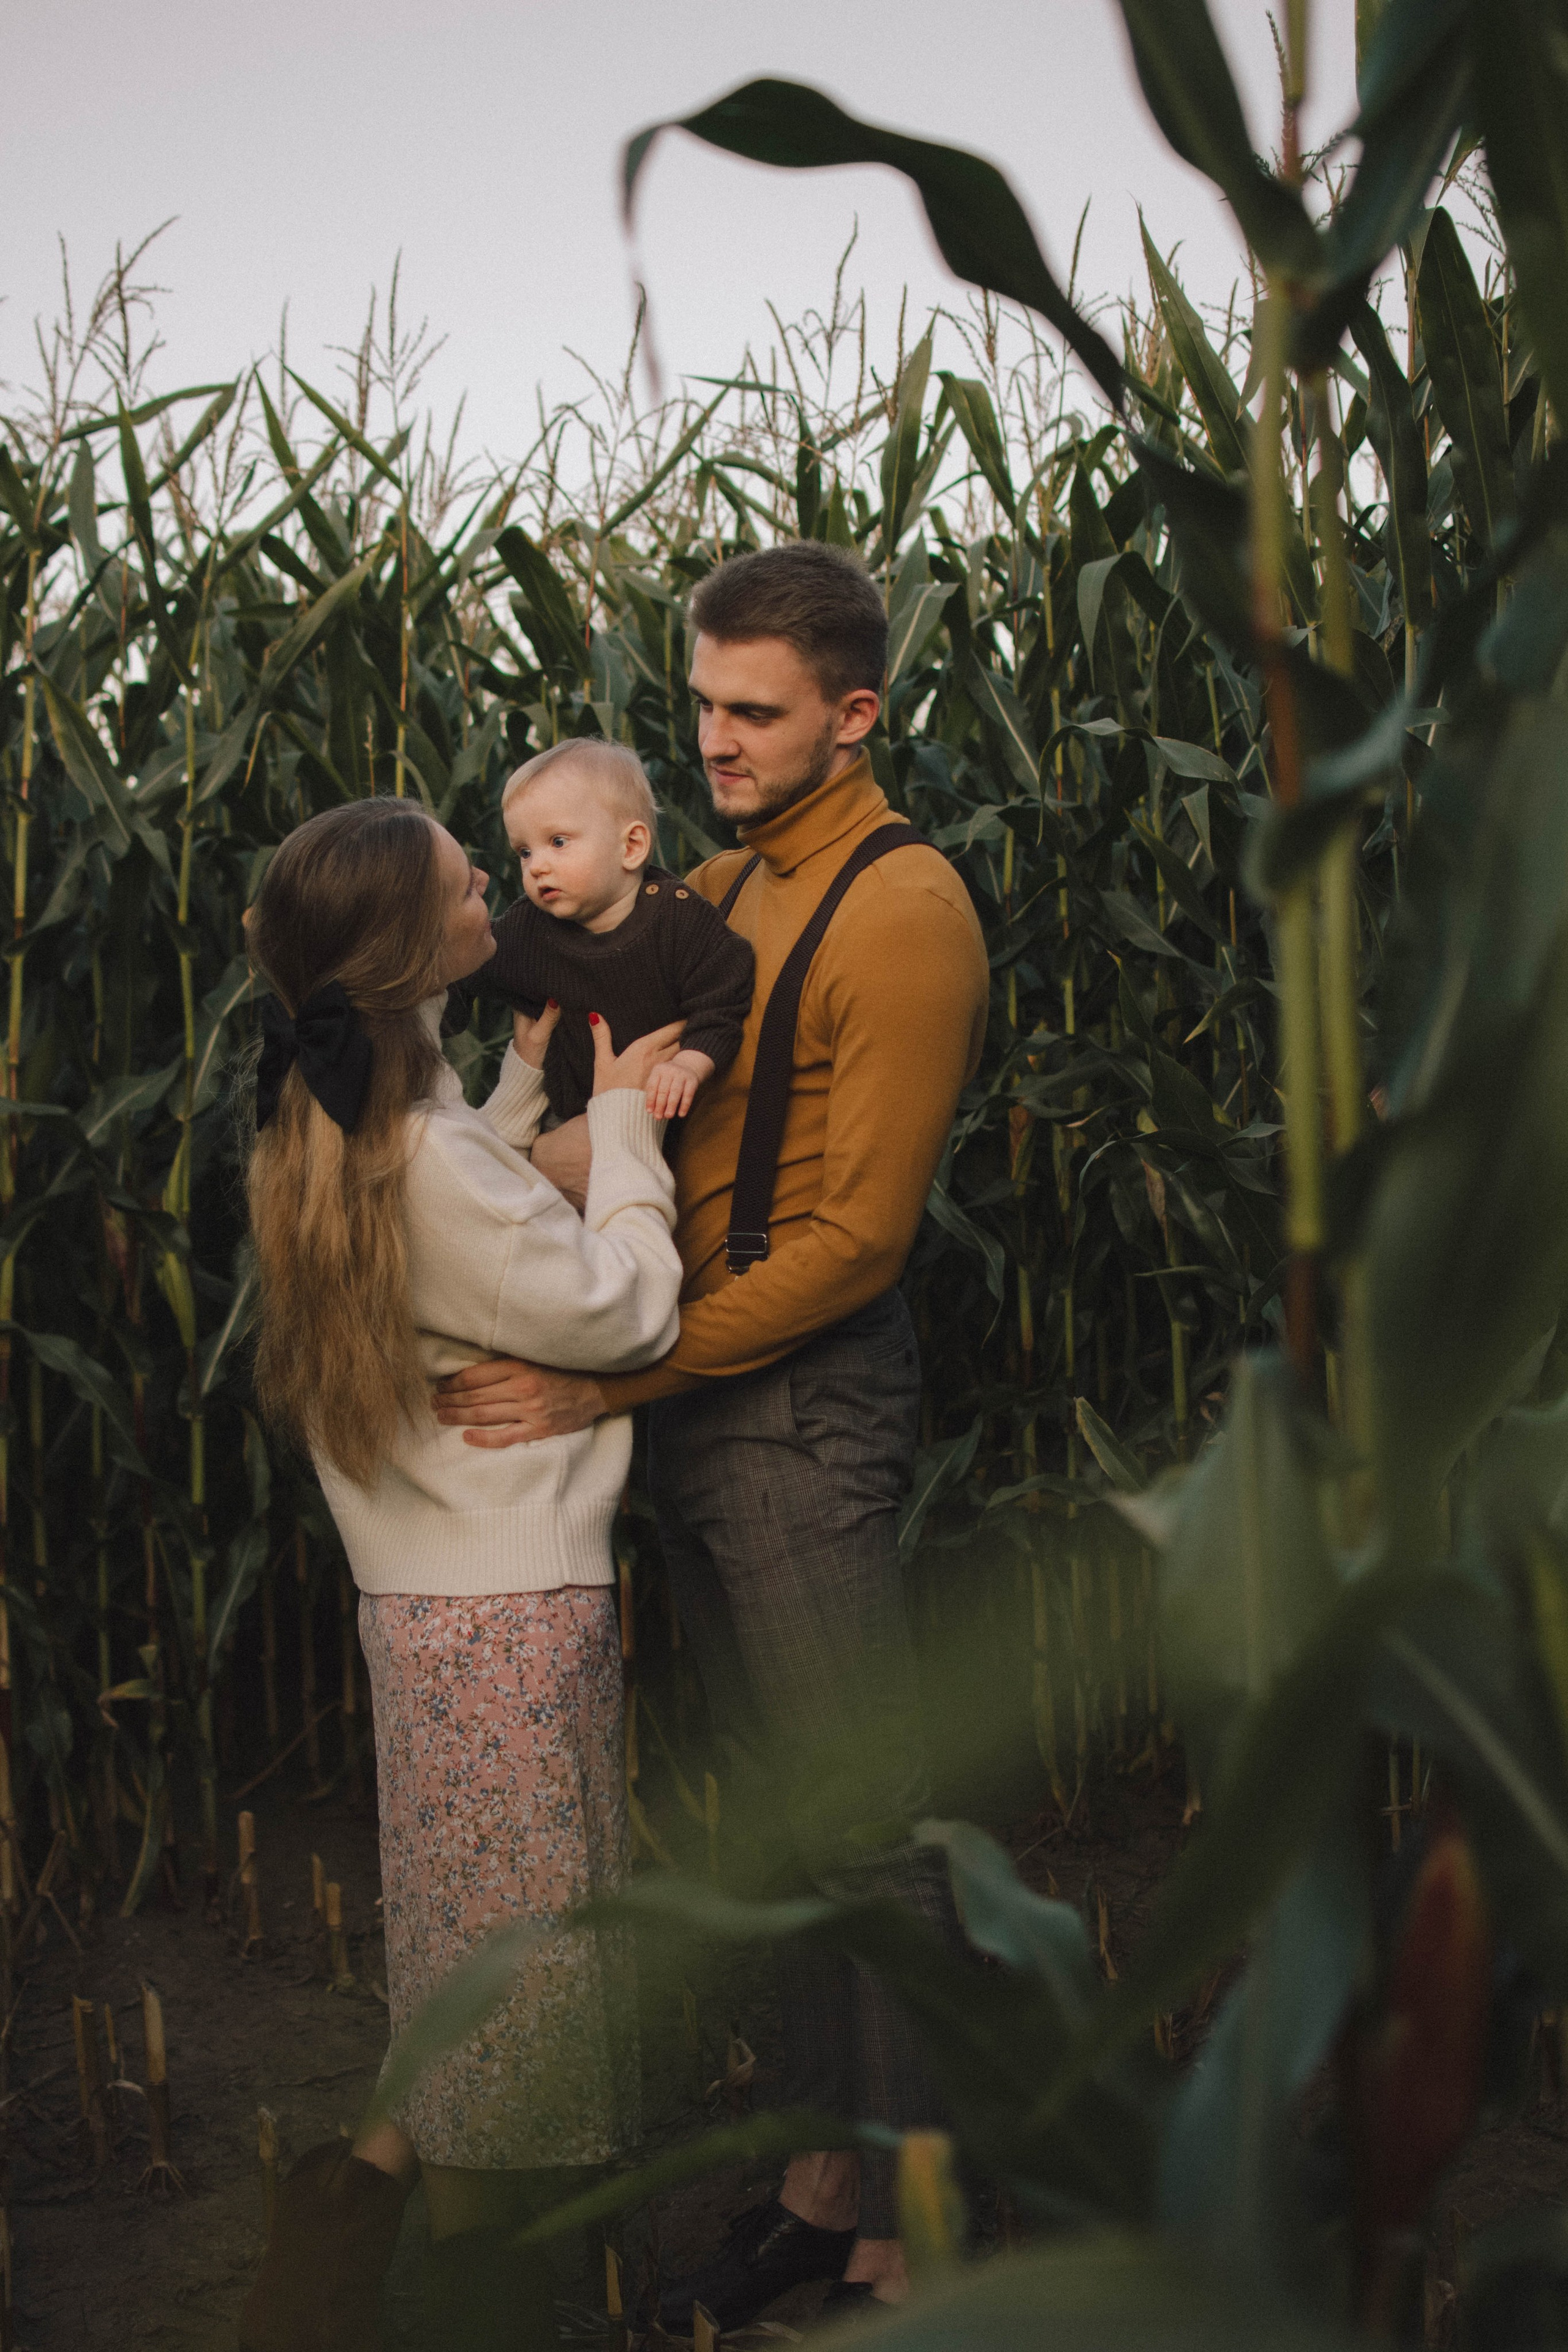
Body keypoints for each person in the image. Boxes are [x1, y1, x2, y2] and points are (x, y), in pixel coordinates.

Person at [435, 541, 992, 2330]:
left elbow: (857, 1240)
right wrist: (446, 1201)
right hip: (708, 1397)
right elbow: (648, 1131)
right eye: (702, 706)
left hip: (799, 1399)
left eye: (757, 713)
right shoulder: (722, 890)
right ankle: (827, 2175)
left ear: (855, 711)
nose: (719, 740)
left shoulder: (900, 909)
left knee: (871, 1820)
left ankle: (914, 2232)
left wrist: (606, 1382)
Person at [235, 797, 685, 2352]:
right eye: (460, 874)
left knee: (460, 1947)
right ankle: (482, 2300)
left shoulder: (332, 1124)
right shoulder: (427, 1161)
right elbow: (623, 1312)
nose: (489, 879)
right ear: (406, 939)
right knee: (516, 1979)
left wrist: (525, 1085)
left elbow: (462, 1192)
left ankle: (346, 2235)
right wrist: (623, 1123)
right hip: (511, 1614)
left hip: (419, 1613)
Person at [462, 737, 754, 1126]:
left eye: (558, 842)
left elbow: (723, 1001)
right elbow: (464, 967)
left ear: (631, 846)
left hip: (671, 1116)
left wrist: (689, 1063)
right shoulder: (528, 930)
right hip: (566, 1122)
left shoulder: (679, 920)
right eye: (524, 852)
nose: (536, 867)